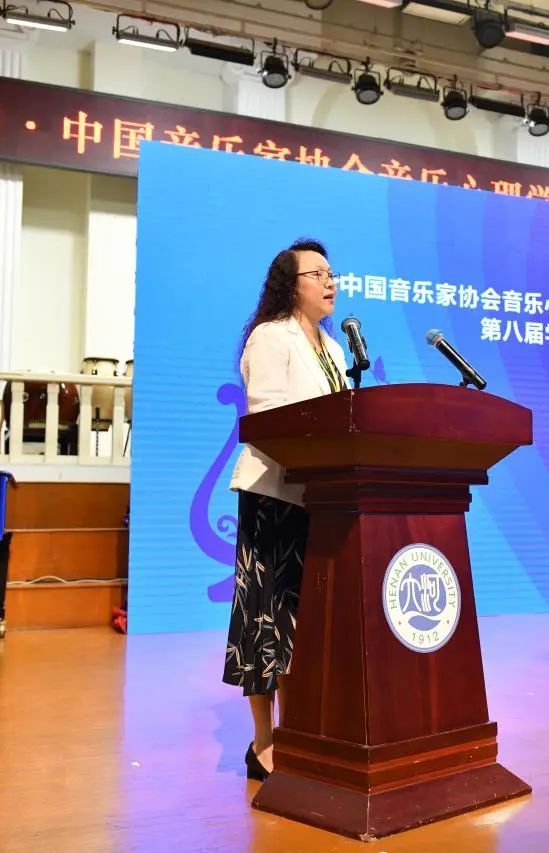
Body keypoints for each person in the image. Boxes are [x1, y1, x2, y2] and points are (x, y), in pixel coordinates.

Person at [223, 238, 348, 782]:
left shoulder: (334, 349)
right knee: (265, 619)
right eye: (316, 274)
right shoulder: (271, 337)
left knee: (308, 621)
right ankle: (264, 742)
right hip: (274, 494)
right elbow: (268, 418)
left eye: (331, 273)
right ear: (290, 285)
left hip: (321, 499)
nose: (329, 281)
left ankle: (304, 728)